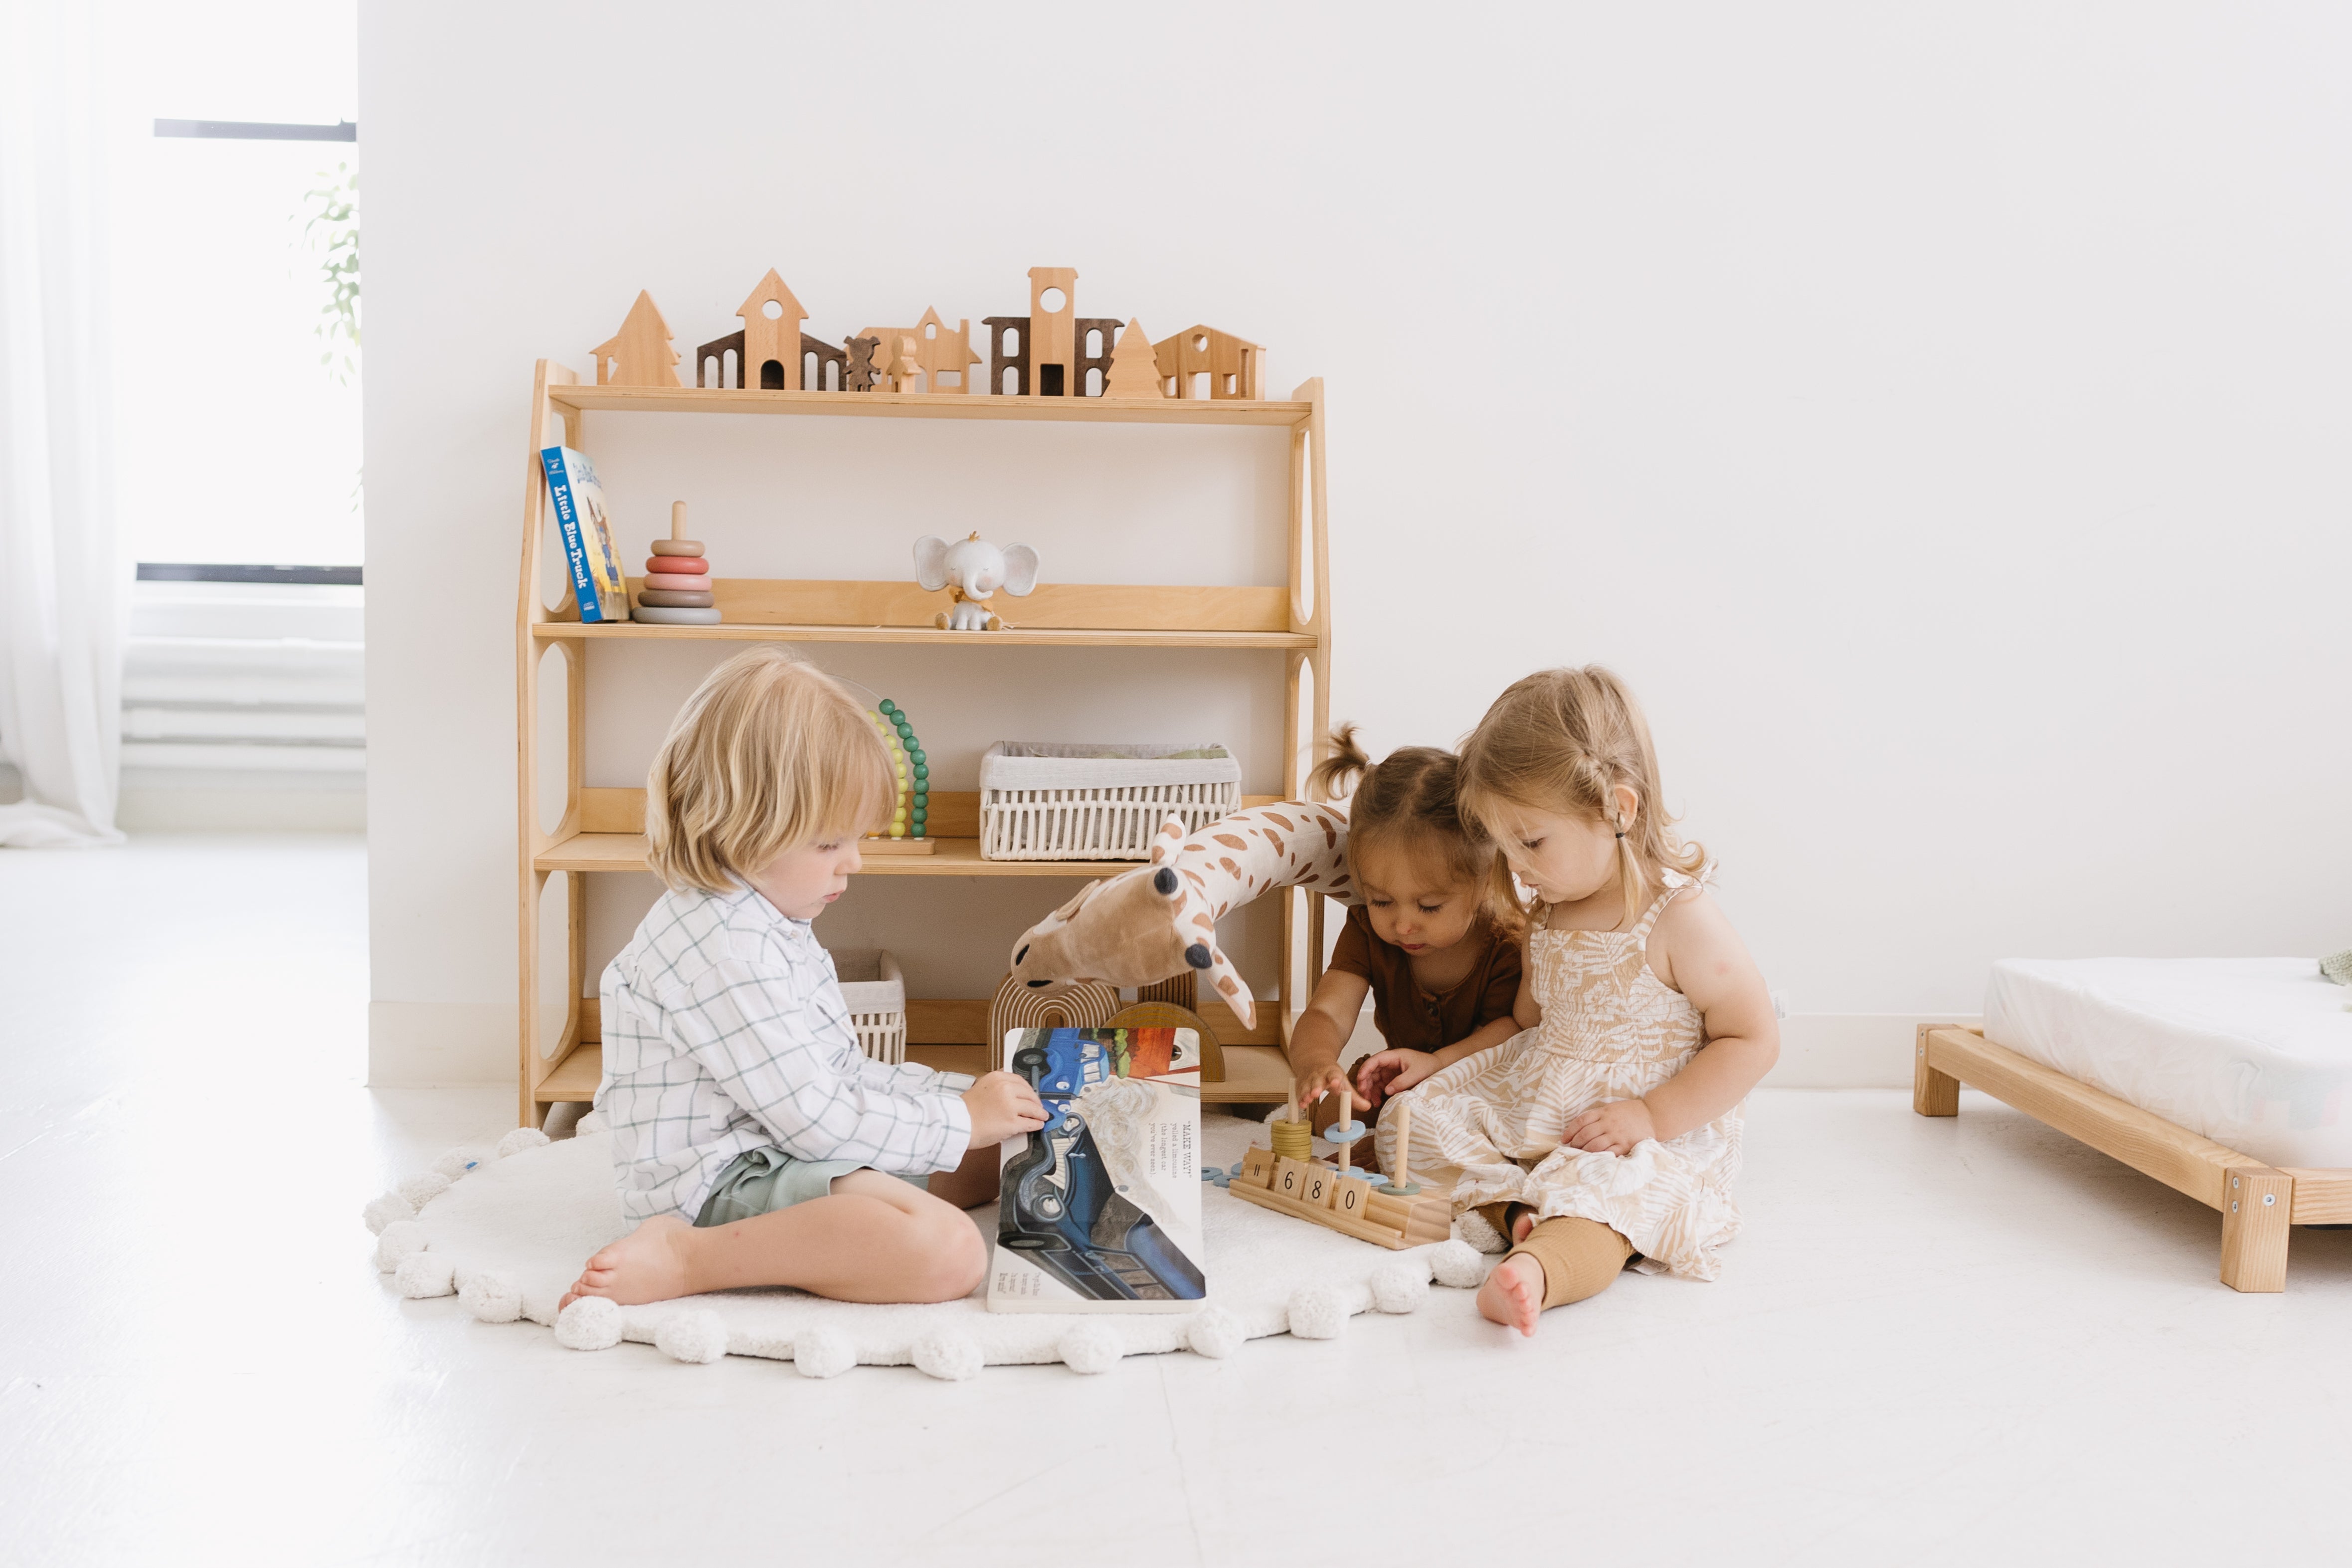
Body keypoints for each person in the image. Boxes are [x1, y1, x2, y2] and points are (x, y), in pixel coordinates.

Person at [561, 648, 1045, 1310]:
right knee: (947, 1251)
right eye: (828, 844)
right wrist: (957, 1116)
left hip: (779, 1144)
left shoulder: (768, 920)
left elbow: (841, 1072)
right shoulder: (721, 946)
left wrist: (962, 1101)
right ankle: (686, 1259)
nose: (854, 861)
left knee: (1001, 1147)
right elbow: (819, 1119)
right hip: (721, 1183)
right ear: (742, 828)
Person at [1379, 667, 1778, 1336]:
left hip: (1636, 1127)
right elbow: (1525, 1022)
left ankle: (1540, 1269)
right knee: (1411, 1122)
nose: (1517, 868)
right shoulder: (1547, 913)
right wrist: (1439, 1061)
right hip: (1546, 1098)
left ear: (1617, 811)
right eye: (1503, 847)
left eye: (1530, 842)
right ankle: (1518, 1213)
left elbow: (1753, 1038)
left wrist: (1650, 1114)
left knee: (1611, 1197)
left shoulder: (1678, 917)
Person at [1285, 725, 1523, 1158]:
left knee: (1464, 1141)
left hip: (1481, 1085)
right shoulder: (1365, 930)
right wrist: (1317, 1063)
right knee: (1333, 1118)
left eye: (1429, 906)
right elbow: (1326, 1011)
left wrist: (1437, 1064)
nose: (1403, 925)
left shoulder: (1506, 941)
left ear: (1484, 880)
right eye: (1381, 900)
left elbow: (1510, 1034)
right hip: (1396, 1080)